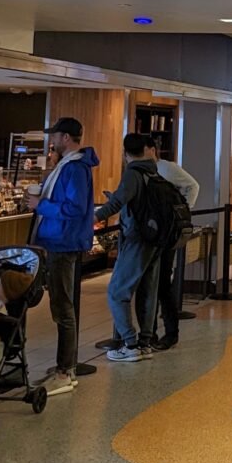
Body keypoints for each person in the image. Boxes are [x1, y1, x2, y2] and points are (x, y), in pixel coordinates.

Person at [24, 117, 100, 395]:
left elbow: (75, 208)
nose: (51, 141)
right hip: (57, 241)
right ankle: (64, 368)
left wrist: (41, 205)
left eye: (54, 136)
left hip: (62, 243)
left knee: (63, 307)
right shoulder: (68, 166)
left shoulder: (75, 168)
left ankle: (65, 370)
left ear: (65, 138)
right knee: (61, 304)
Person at [94, 133, 163, 363]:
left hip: (137, 239)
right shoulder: (154, 172)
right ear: (148, 149)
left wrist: (93, 219)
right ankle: (145, 342)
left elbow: (117, 203)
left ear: (125, 153)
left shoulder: (133, 174)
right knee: (147, 292)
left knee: (117, 291)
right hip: (155, 239)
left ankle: (130, 344)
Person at [150, 143, 200, 352]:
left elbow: (193, 186)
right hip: (149, 235)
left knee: (161, 283)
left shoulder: (166, 168)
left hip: (165, 235)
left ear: (152, 150)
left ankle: (170, 332)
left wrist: (181, 213)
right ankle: (149, 333)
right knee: (150, 285)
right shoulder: (140, 172)